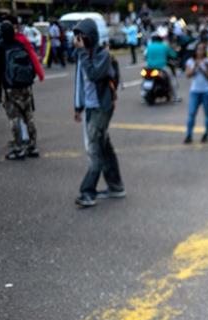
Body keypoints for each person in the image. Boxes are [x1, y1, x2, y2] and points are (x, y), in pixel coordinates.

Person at [72, 18, 124, 208]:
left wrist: (82, 52)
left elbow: (94, 75)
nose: (77, 39)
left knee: (94, 148)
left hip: (103, 108)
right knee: (103, 146)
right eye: (76, 36)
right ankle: (116, 186)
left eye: (81, 35)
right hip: (90, 108)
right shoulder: (82, 54)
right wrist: (78, 107)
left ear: (90, 36)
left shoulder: (102, 55)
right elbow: (80, 83)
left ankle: (88, 192)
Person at [0, 19, 44, 160]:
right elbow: (30, 63)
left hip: (11, 88)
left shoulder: (1, 48)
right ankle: (32, 146)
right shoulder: (20, 45)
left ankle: (19, 149)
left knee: (14, 119)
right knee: (28, 117)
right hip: (25, 86)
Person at [183, 42, 208, 144]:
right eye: (198, 49)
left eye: (202, 49)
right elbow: (188, 74)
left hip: (206, 91)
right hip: (195, 91)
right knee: (191, 113)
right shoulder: (190, 61)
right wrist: (195, 67)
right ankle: (189, 135)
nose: (200, 51)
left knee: (207, 114)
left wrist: (204, 68)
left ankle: (206, 134)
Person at [145, 32, 180, 101]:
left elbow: (145, 56)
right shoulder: (164, 46)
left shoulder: (149, 46)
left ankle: (144, 94)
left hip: (149, 67)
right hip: (162, 67)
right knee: (171, 79)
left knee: (145, 79)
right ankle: (176, 97)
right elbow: (173, 55)